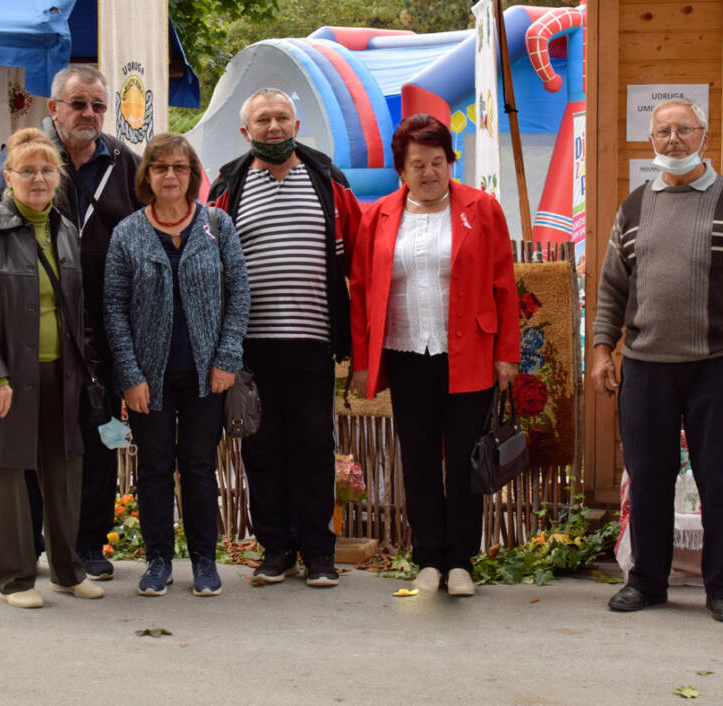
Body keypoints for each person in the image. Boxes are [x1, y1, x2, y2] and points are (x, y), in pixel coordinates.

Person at [592, 98, 723, 623]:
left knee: (718, 482)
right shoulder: (632, 208)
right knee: (647, 479)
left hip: (717, 365)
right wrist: (603, 349)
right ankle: (647, 582)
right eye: (662, 132)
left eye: (683, 130)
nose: (673, 140)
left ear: (704, 135)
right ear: (651, 141)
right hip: (647, 367)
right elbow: (611, 288)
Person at [348, 114, 519, 597]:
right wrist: (363, 362)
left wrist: (506, 354)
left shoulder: (481, 210)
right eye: (417, 164)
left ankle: (461, 561)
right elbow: (360, 292)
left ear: (451, 162)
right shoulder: (377, 215)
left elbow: (504, 286)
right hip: (406, 355)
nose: (428, 173)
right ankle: (427, 558)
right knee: (418, 459)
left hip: (468, 356)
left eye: (437, 162)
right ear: (400, 171)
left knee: (466, 461)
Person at [0, 65, 141, 581]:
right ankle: (27, 546)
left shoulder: (123, 161)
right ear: (54, 108)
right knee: (28, 440)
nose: (90, 114)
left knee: (94, 441)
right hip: (35, 326)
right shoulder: (22, 158)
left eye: (98, 105)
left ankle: (86, 545)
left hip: (105, 327)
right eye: (79, 104)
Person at [0, 128, 104, 608]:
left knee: (65, 472)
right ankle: (15, 578)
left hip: (62, 374)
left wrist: (90, 368)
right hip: (4, 378)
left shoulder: (67, 231)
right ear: (8, 177)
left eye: (47, 170)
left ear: (59, 178)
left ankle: (68, 570)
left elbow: (78, 314)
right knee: (6, 476)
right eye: (27, 170)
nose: (38, 178)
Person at [208, 88, 361, 587]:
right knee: (262, 449)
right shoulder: (228, 187)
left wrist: (357, 341)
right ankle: (276, 550)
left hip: (314, 341)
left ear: (296, 126)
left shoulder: (328, 181)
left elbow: (357, 260)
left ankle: (319, 553)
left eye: (282, 118)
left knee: (315, 446)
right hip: (250, 347)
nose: (273, 127)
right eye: (262, 119)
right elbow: (213, 268)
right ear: (244, 131)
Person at [104, 134, 249, 597]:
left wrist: (226, 357)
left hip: (207, 376)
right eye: (160, 167)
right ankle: (158, 560)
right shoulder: (127, 232)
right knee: (153, 468)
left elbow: (240, 297)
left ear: (193, 174)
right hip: (151, 378)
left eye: (180, 167)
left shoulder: (216, 225)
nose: (170, 175)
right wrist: (131, 376)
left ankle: (205, 561)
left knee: (201, 468)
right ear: (146, 174)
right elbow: (113, 309)